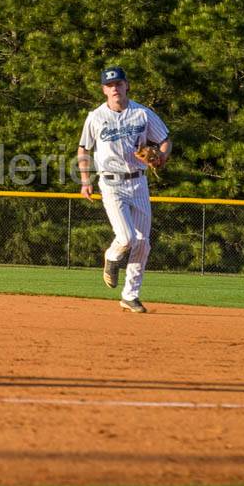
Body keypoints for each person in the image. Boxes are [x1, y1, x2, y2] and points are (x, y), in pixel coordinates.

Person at [76, 67, 171, 312]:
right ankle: (112, 256)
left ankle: (130, 295)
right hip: (110, 182)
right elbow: (83, 149)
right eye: (110, 85)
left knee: (142, 243)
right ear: (104, 90)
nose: (115, 88)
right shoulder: (95, 117)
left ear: (126, 85)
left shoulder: (142, 114)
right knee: (127, 237)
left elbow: (165, 140)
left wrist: (161, 157)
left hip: (138, 182)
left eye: (119, 83)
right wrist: (85, 181)